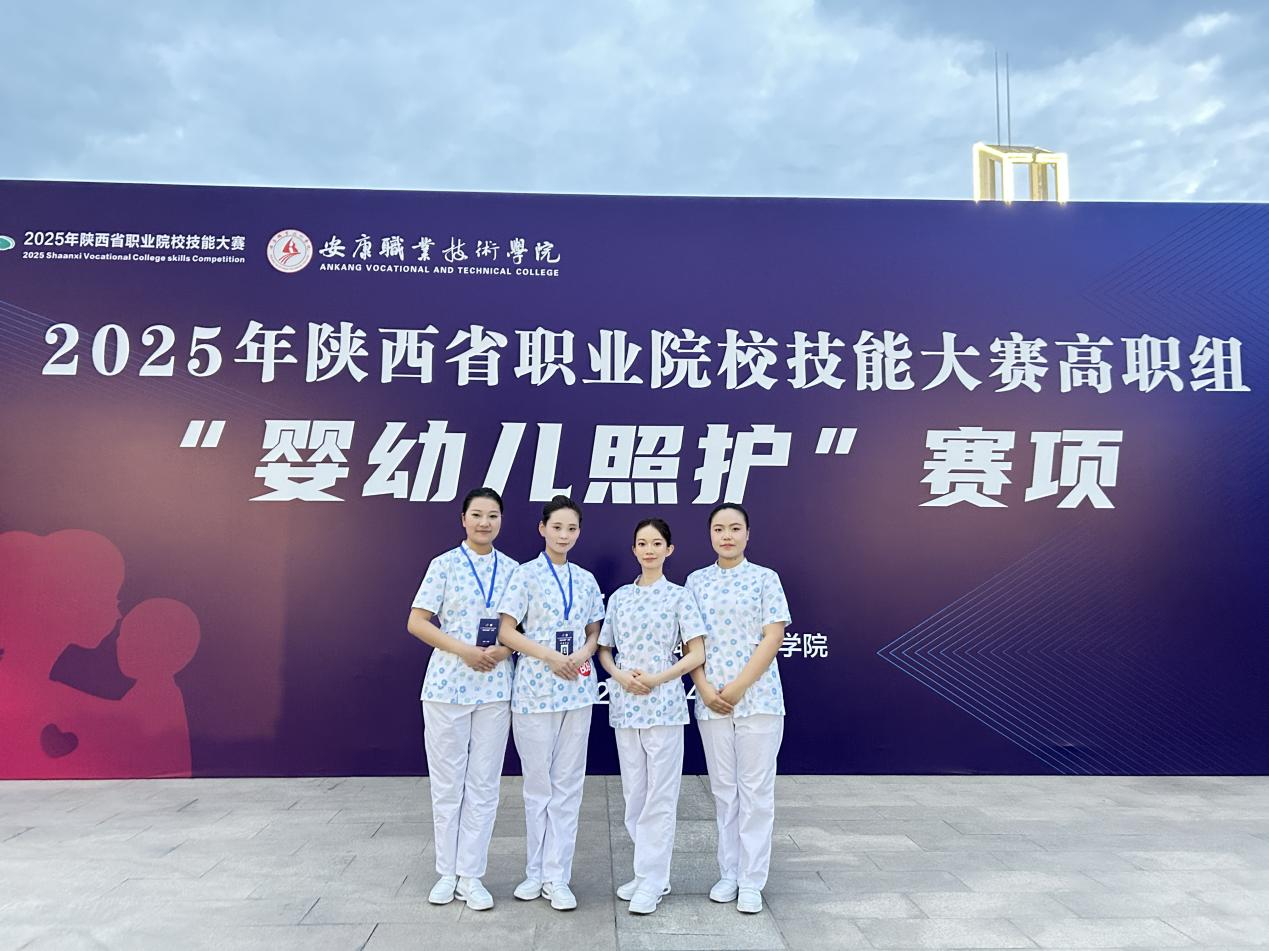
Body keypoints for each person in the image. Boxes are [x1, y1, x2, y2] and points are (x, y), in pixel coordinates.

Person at [407, 487, 518, 912]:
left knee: (485, 784)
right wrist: (464, 650)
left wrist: (502, 651)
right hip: (447, 686)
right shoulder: (444, 564)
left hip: (494, 688)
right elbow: (417, 621)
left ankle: (471, 874)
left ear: (501, 521)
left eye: (492, 516)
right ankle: (446, 872)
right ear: (464, 519)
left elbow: (521, 628)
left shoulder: (513, 570)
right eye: (477, 515)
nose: (484, 522)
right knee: (447, 783)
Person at [496, 495, 604, 911]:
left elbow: (595, 631)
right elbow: (507, 631)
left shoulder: (586, 579)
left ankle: (558, 876)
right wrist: (550, 656)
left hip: (577, 688)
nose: (564, 535)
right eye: (557, 527)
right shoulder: (523, 575)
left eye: (571, 528)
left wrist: (582, 653)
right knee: (537, 785)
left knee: (568, 785)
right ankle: (534, 872)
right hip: (535, 690)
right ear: (542, 529)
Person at [597, 518, 706, 916]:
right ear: (634, 549)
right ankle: (647, 873)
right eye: (642, 543)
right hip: (626, 704)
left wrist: (657, 678)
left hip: (664, 705)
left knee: (660, 795)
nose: (649, 550)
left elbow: (696, 653)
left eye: (656, 543)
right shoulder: (620, 598)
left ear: (669, 549)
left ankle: (654, 879)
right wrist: (620, 675)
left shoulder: (680, 597)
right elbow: (604, 649)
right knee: (634, 795)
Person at [686, 503, 790, 915]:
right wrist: (704, 688)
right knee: (724, 790)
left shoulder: (765, 578)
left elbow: (773, 636)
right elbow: (690, 642)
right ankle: (729, 873)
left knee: (756, 792)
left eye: (734, 528)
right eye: (719, 529)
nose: (726, 536)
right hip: (711, 698)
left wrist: (740, 686)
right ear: (710, 534)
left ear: (748, 534)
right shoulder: (696, 581)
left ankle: (752, 880)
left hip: (759, 699)